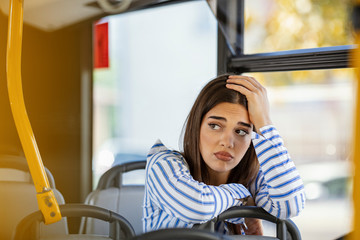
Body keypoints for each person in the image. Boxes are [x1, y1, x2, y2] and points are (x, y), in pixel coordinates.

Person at [142, 74, 305, 235]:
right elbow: (197, 206)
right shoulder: (163, 164)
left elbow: (291, 205)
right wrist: (240, 196)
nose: (227, 142)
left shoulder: (252, 178)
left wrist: (264, 121)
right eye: (215, 126)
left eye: (241, 131)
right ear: (196, 126)